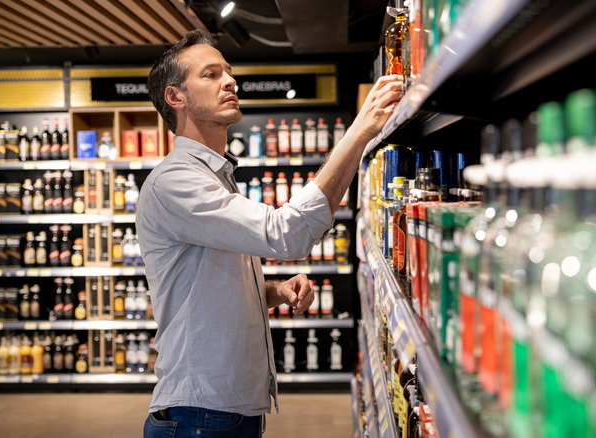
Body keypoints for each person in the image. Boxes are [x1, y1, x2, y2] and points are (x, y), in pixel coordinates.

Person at [139, 29, 403, 438]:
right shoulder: (175, 181)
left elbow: (206, 289)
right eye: (211, 75)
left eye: (228, 71)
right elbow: (287, 235)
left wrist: (273, 290)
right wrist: (358, 133)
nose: (230, 81)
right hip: (200, 415)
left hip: (226, 410)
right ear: (176, 98)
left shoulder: (216, 177)